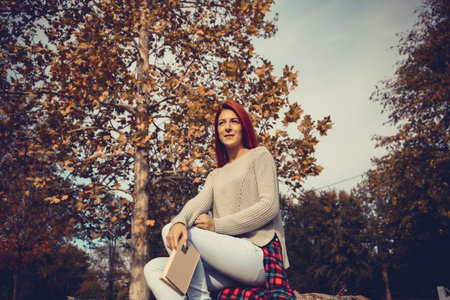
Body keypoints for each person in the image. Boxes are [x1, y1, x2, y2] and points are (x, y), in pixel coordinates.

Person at [144, 100, 294, 299]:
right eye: (222, 123)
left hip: (259, 257)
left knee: (176, 232)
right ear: (217, 131)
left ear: (244, 127)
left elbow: (268, 207)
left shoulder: (260, 155)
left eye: (234, 121)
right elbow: (197, 204)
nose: (228, 127)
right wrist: (179, 221)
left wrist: (217, 225)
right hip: (225, 265)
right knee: (154, 268)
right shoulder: (216, 175)